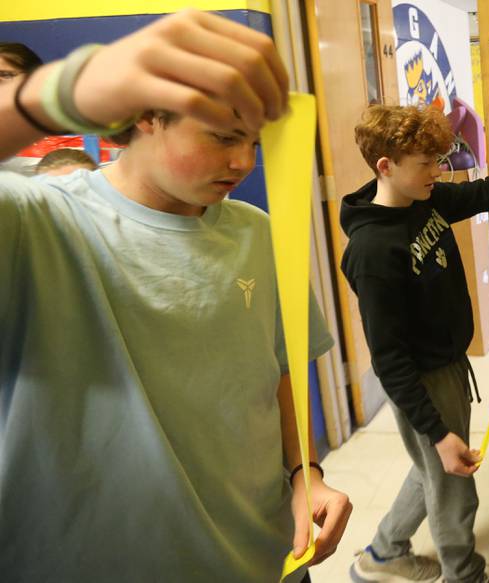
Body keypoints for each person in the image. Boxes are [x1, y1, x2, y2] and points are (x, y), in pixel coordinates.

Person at [0, 10, 351, 583]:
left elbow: (278, 366)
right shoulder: (37, 223)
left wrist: (304, 471)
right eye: (222, 137)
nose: (243, 162)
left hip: (269, 557)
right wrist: (56, 92)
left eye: (253, 142)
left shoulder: (255, 230)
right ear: (145, 117)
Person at [341, 104, 489, 583]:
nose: (438, 172)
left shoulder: (421, 200)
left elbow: (484, 192)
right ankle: (463, 572)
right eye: (425, 163)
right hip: (422, 380)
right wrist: (435, 426)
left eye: (437, 160)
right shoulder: (372, 251)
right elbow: (388, 359)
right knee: (453, 480)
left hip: (446, 366)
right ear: (385, 166)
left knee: (433, 466)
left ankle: (383, 554)